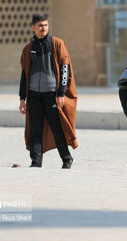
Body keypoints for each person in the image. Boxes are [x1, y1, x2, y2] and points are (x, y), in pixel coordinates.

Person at [18, 13, 77, 169]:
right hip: (34, 96)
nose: (43, 28)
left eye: (45, 25)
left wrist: (61, 93)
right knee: (35, 130)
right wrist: (22, 98)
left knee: (57, 128)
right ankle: (36, 162)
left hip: (52, 95)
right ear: (33, 28)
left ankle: (67, 158)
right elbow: (24, 75)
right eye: (40, 25)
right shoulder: (28, 49)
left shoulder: (57, 44)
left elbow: (65, 69)